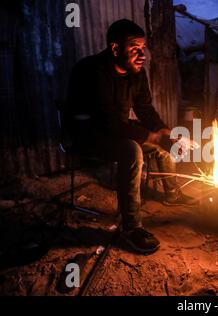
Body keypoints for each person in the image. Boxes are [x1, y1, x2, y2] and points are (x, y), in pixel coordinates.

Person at [66, 19, 196, 254]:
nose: (142, 54)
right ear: (115, 49)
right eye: (134, 47)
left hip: (117, 129)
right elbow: (108, 123)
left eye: (143, 47)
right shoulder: (92, 71)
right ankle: (131, 228)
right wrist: (155, 138)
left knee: (160, 141)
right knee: (131, 149)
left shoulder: (137, 74)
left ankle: (172, 193)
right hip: (88, 135)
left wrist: (167, 133)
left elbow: (145, 110)